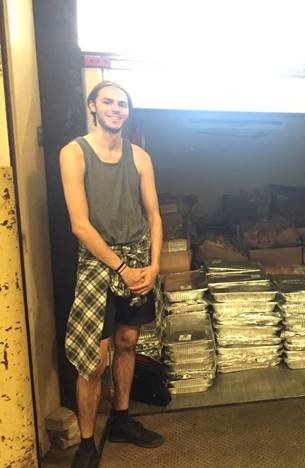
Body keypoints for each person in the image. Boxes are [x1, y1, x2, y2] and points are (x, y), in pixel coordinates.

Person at [60, 81, 165, 468]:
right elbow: (79, 225)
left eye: (122, 104)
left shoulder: (139, 157)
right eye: (108, 102)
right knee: (94, 356)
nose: (116, 109)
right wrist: (121, 268)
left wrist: (152, 266)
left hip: (138, 260)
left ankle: (121, 418)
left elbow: (154, 215)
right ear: (92, 106)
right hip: (98, 264)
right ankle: (88, 443)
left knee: (127, 341)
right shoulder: (74, 153)